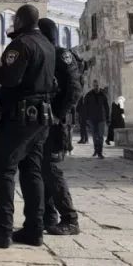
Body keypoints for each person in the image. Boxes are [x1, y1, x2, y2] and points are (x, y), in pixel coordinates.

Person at [0, 4, 56, 248]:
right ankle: (33, 229)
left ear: (19, 20)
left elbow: (11, 78)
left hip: (20, 117)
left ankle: (1, 230)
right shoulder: (48, 46)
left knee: (4, 169)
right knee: (32, 172)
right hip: (41, 118)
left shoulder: (21, 44)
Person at [37, 18, 82, 236]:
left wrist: (59, 114)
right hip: (45, 121)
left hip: (57, 122)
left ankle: (70, 219)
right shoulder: (45, 55)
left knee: (52, 168)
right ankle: (49, 217)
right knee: (43, 167)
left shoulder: (61, 54)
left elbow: (75, 88)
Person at [83, 80, 109, 159]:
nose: (96, 87)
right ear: (92, 86)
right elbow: (85, 107)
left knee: (100, 136)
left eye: (97, 86)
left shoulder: (103, 95)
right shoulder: (89, 95)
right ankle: (96, 150)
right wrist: (86, 118)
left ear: (99, 85)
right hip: (92, 118)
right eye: (94, 86)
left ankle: (100, 152)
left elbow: (106, 107)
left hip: (101, 118)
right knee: (94, 135)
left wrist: (107, 118)